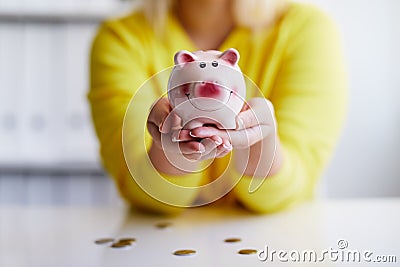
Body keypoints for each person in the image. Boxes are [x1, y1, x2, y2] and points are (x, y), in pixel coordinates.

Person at [88, 0, 347, 214]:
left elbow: (290, 190)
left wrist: (260, 148)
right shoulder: (120, 39)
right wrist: (175, 151)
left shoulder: (307, 30)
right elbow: (142, 189)